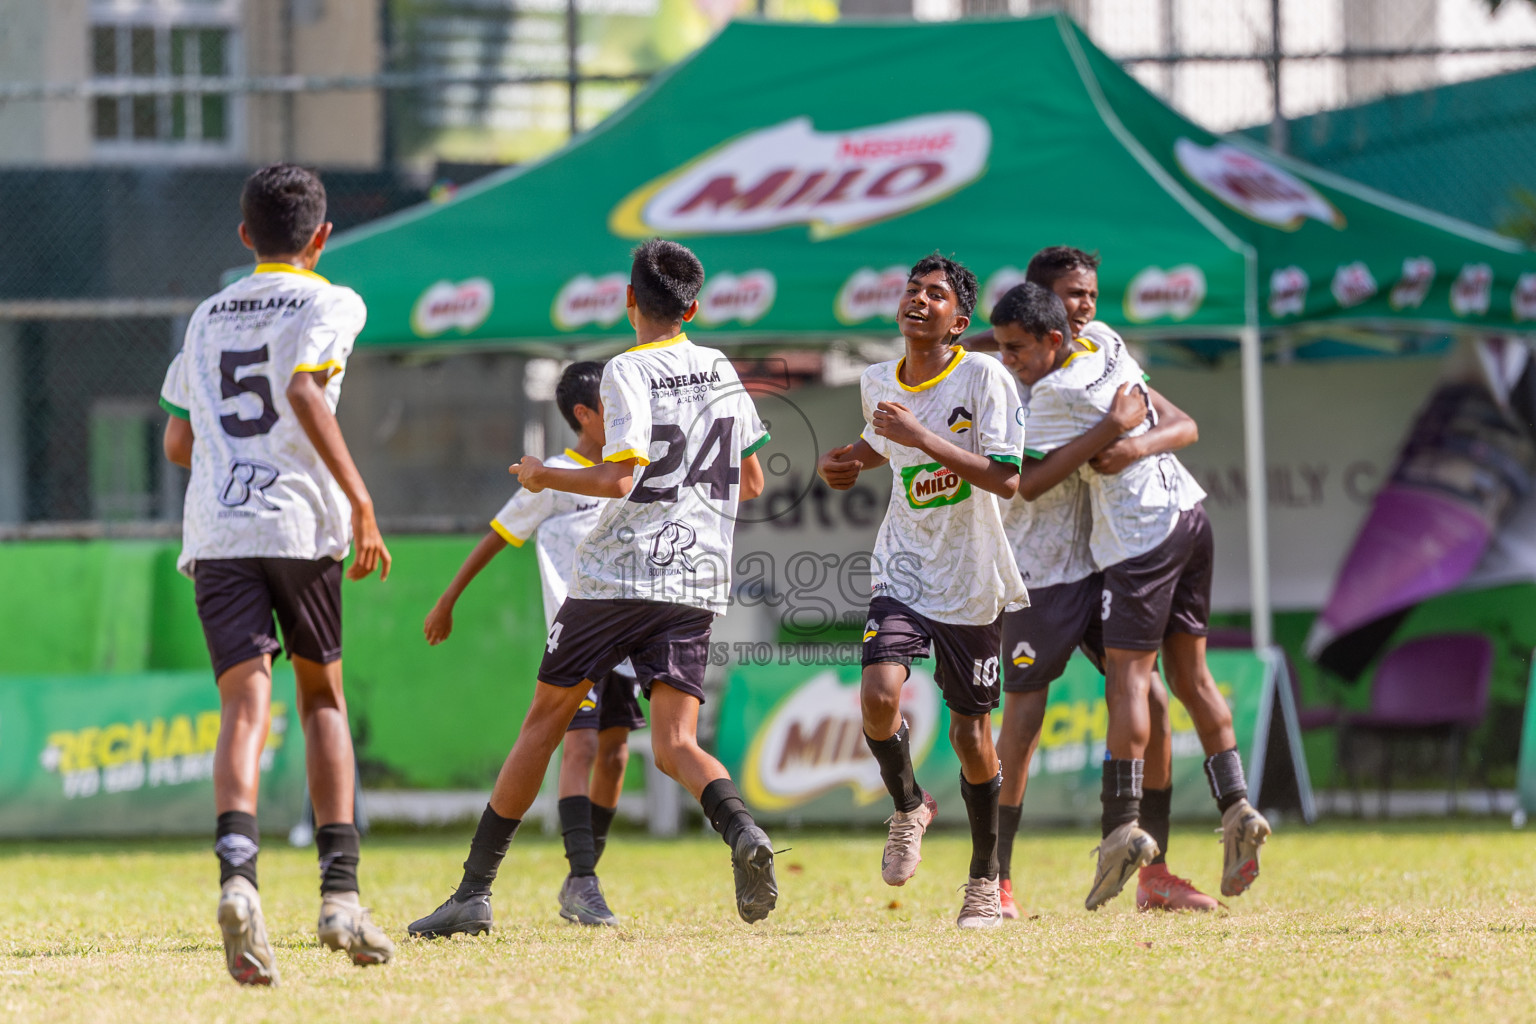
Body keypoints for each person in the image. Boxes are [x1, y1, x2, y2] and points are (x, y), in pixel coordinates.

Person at [408, 239, 777, 937]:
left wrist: (546, 477)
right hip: (695, 577)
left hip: (616, 575)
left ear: (629, 300)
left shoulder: (625, 371)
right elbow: (752, 480)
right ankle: (742, 832)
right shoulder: (722, 368)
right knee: (674, 745)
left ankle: (473, 892)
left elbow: (618, 478)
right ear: (694, 307)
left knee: (544, 726)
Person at [159, 163, 394, 986]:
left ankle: (236, 876)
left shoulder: (207, 314)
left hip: (219, 528)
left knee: (242, 706)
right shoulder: (333, 300)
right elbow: (303, 388)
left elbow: (178, 445)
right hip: (299, 524)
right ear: (322, 237)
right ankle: (339, 896)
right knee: (321, 697)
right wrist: (361, 499)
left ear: (244, 236)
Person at [992, 280, 1270, 911]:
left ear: (1055, 329)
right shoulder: (1031, 378)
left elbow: (1176, 422)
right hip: (1040, 572)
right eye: (1073, 294)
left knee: (1145, 695)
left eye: (1088, 294)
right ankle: (994, 879)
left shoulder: (1075, 365)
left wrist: (1129, 439)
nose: (1086, 305)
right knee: (1026, 723)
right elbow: (1023, 484)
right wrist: (1118, 429)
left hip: (1112, 556)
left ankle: (1152, 870)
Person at [816, 253, 1025, 930]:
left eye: (936, 295)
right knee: (878, 697)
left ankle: (984, 880)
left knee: (971, 735)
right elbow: (885, 446)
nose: (918, 300)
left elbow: (1004, 478)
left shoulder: (984, 376)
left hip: (970, 575)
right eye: (912, 290)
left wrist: (920, 436)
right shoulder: (878, 380)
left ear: (959, 322)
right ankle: (908, 804)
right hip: (903, 564)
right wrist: (848, 460)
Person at [423, 360, 645, 927]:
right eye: (610, 407)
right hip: (579, 633)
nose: (622, 416)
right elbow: (497, 538)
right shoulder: (553, 478)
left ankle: (580, 876)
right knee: (580, 748)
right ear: (584, 414)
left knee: (615, 753)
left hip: (629, 633)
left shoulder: (630, 468)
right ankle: (585, 878)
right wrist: (447, 600)